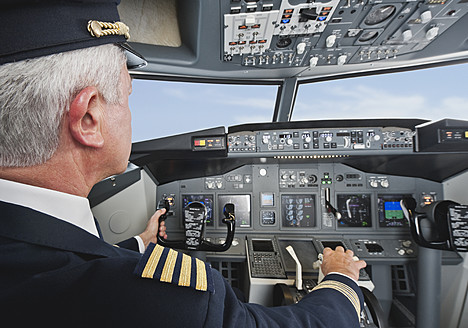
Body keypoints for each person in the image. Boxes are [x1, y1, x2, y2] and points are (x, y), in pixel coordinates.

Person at [0, 1, 367, 327]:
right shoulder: (158, 301)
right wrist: (341, 278)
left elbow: (68, 254)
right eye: (127, 97)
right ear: (88, 119)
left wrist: (139, 243)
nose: (131, 114)